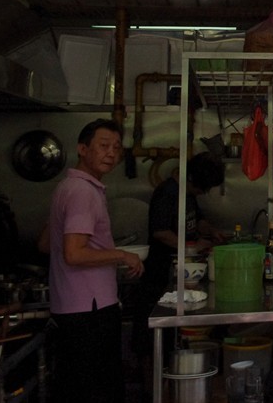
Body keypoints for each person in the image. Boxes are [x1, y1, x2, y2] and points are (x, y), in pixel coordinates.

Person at [45, 118, 144, 403]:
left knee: (77, 386)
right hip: (90, 309)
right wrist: (121, 254)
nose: (111, 153)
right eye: (103, 146)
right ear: (82, 148)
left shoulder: (68, 187)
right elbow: (73, 253)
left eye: (116, 147)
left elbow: (45, 243)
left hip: (71, 306)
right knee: (99, 389)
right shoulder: (82, 192)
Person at [132, 151, 227, 360]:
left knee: (175, 337)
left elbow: (197, 219)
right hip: (160, 277)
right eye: (203, 188)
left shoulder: (188, 193)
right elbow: (161, 232)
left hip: (182, 275)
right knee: (158, 344)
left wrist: (211, 231)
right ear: (191, 177)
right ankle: (159, 383)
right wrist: (192, 247)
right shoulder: (166, 193)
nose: (203, 192)